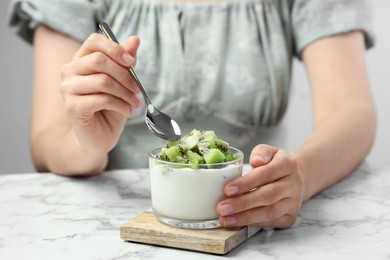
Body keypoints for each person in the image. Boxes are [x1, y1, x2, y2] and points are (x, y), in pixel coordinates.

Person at [8, 0, 376, 229]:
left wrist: (300, 176)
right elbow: (47, 143)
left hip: (250, 222)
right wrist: (86, 142)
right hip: (106, 225)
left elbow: (351, 110)